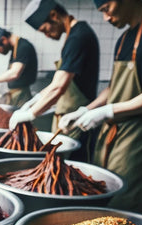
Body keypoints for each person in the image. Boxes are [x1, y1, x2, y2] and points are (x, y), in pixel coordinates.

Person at [60, 0, 142, 213]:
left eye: (107, 9)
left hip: (139, 139)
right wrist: (87, 109)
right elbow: (113, 88)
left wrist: (109, 111)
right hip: (113, 135)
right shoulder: (124, 39)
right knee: (102, 194)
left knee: (125, 204)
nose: (106, 18)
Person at [10, 0, 99, 163]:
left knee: (71, 173)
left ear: (53, 15)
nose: (46, 35)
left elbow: (59, 87)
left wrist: (31, 114)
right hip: (66, 121)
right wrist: (32, 102)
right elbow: (56, 83)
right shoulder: (72, 35)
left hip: (77, 123)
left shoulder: (78, 36)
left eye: (45, 29)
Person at [0, 23, 38, 108]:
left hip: (22, 97)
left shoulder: (23, 47)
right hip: (16, 95)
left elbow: (15, 73)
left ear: (3, 39)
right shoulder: (16, 48)